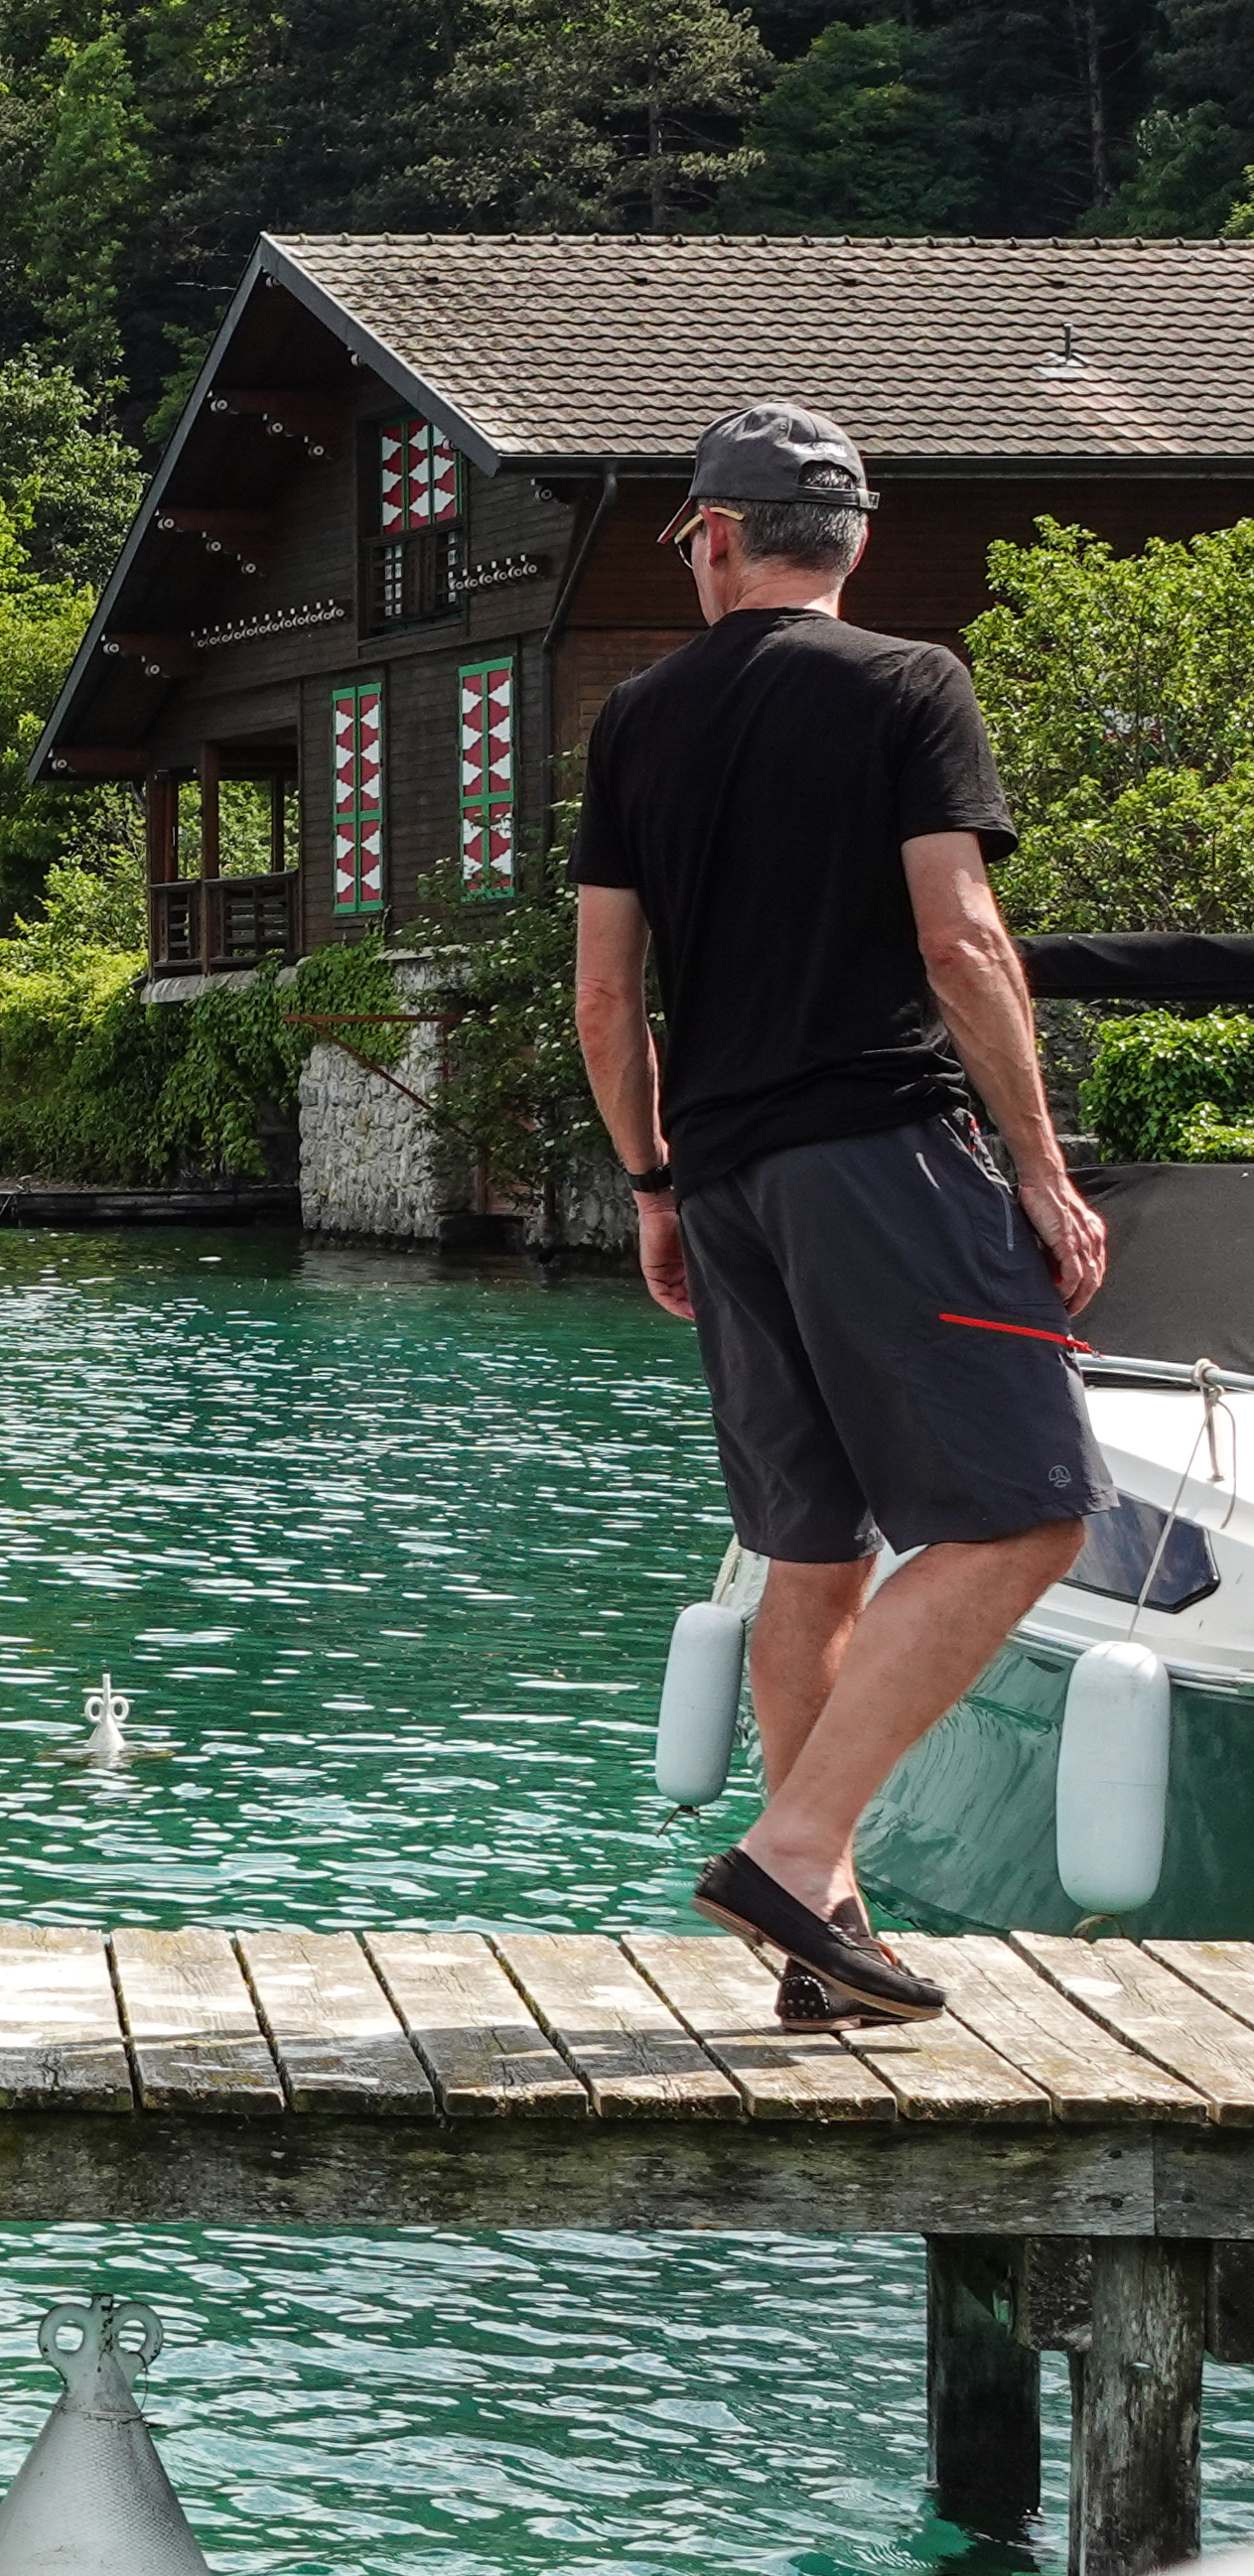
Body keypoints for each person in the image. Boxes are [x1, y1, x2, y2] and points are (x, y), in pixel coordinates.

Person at [574, 402, 1108, 2030]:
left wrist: (656, 1183)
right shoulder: (907, 685)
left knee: (809, 1553)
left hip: (728, 1182)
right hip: (882, 1150)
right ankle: (797, 1847)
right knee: (1033, 1510)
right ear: (852, 544)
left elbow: (606, 997)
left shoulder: (636, 719)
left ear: (717, 537)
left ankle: (830, 1937)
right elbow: (962, 940)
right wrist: (1040, 1164)